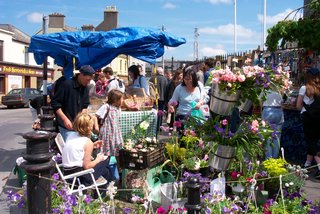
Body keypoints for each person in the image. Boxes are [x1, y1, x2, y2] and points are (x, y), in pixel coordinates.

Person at [62, 112, 112, 193]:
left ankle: (102, 193)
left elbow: (78, 150)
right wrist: (99, 159)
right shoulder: (87, 142)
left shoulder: (71, 136)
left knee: (106, 171)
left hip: (68, 175)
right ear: (88, 128)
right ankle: (106, 192)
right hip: (79, 178)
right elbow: (87, 166)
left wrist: (92, 145)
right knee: (106, 159)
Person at [51, 65, 95, 141]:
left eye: (89, 80)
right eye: (87, 80)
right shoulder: (66, 84)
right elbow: (55, 104)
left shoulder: (85, 88)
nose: (88, 82)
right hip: (66, 126)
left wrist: (81, 117)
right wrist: (65, 119)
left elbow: (85, 105)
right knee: (70, 147)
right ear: (81, 75)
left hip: (78, 126)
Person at [296, 67, 320, 178]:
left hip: (308, 118)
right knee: (314, 140)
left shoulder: (304, 88)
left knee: (311, 142)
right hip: (318, 118)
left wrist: (304, 110)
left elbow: (298, 105)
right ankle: (307, 165)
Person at [95, 89, 124, 181]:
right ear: (116, 100)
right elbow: (95, 116)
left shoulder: (118, 108)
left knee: (115, 152)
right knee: (105, 153)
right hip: (107, 134)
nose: (122, 101)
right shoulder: (106, 107)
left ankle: (114, 174)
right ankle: (103, 170)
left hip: (115, 134)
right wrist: (96, 127)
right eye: (121, 99)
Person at [262, 88, 284, 159]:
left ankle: (268, 158)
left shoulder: (264, 87)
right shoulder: (281, 87)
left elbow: (259, 98)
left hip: (268, 110)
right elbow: (284, 98)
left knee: (267, 136)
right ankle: (274, 159)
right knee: (277, 137)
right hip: (279, 111)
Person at [149, 67, 168, 131]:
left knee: (153, 113)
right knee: (160, 114)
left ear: (156, 72)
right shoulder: (165, 79)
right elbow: (166, 90)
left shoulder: (152, 79)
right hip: (162, 99)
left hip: (153, 99)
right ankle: (159, 127)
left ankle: (153, 127)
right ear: (161, 72)